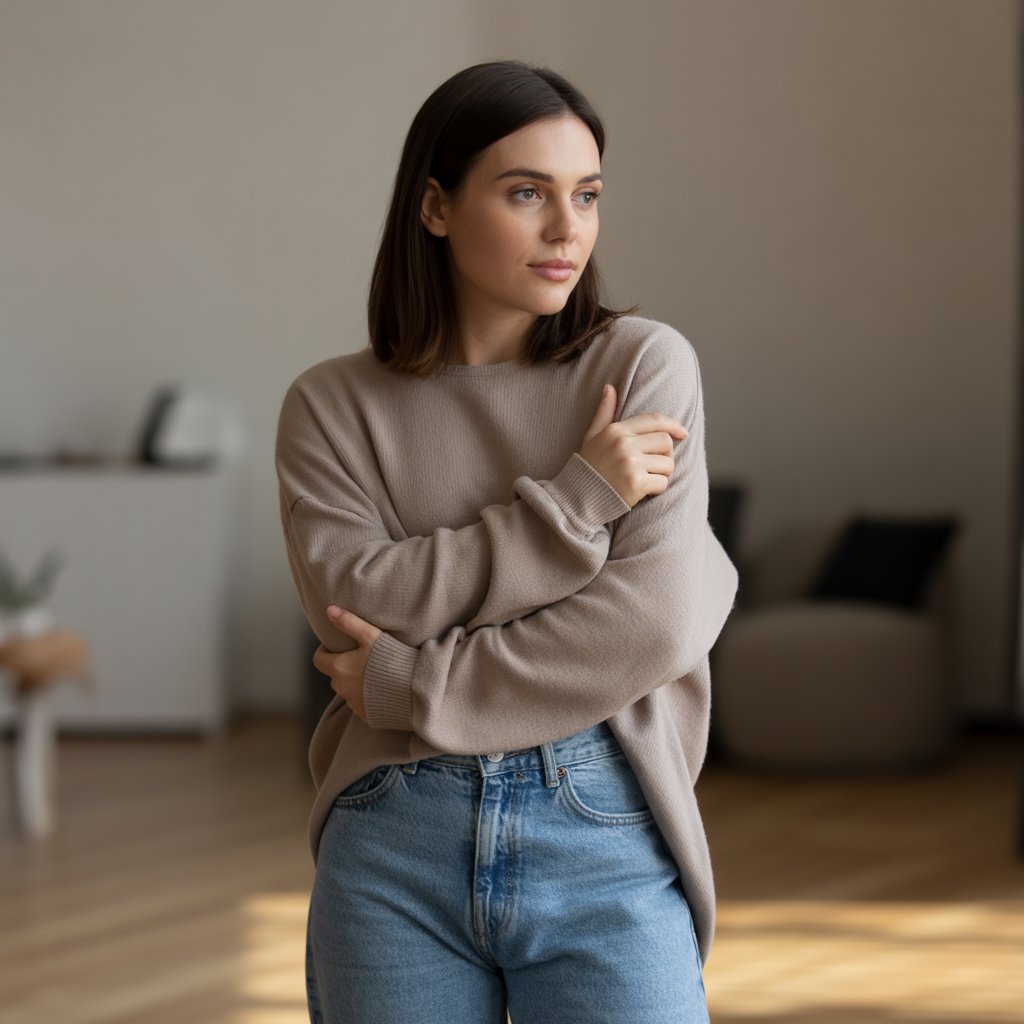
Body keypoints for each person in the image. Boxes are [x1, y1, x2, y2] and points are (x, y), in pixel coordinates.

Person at [275, 59, 738, 1024]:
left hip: (602, 824)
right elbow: (358, 597)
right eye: (527, 193)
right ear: (436, 207)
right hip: (391, 836)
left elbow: (644, 629)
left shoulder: (643, 363)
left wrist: (411, 686)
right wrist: (577, 505)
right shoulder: (330, 405)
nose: (568, 228)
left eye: (588, 194)